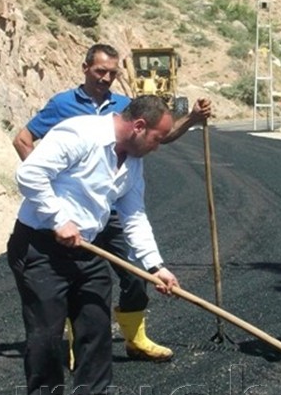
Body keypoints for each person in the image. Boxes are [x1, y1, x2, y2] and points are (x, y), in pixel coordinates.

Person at [13, 43, 211, 362]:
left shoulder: (127, 109)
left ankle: (133, 341)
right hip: (54, 231)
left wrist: (156, 266)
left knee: (131, 276)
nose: (106, 78)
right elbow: (25, 149)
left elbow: (157, 139)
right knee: (52, 324)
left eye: (112, 73)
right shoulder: (65, 108)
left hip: (107, 215)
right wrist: (57, 205)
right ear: (85, 68)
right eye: (100, 71)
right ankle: (68, 355)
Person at [9, 96, 180, 395]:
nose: (158, 147)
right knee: (46, 335)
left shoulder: (132, 162)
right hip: (40, 248)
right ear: (139, 127)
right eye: (158, 139)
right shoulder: (81, 133)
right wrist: (58, 219)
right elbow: (29, 174)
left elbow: (133, 215)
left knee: (96, 331)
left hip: (88, 251)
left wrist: (155, 265)